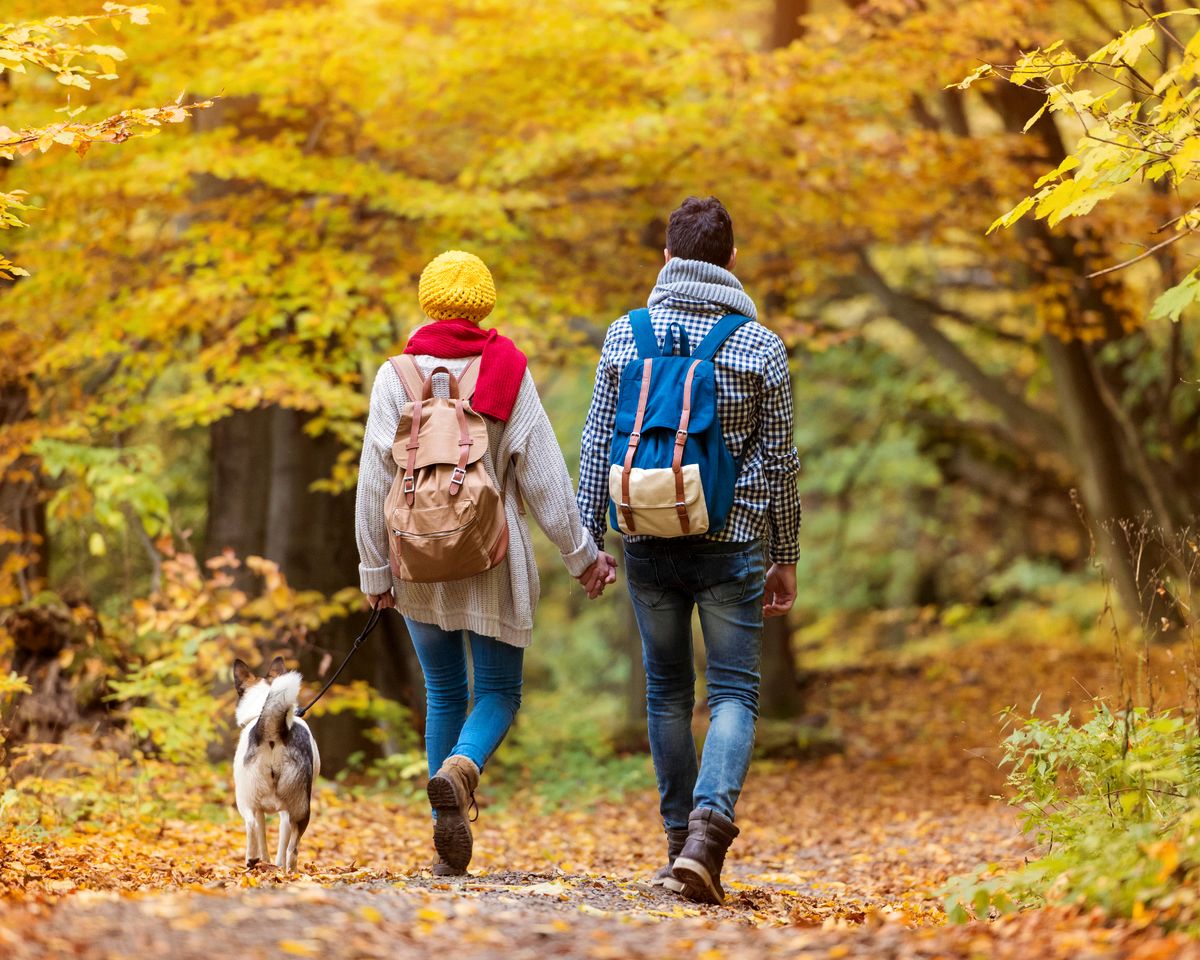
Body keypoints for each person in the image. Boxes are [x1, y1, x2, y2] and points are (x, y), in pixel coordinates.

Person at [355, 250, 616, 876]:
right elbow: (548, 479)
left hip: (415, 559)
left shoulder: (395, 377)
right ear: (484, 304)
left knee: (444, 689)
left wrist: (374, 570)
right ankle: (462, 772)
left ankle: (444, 827)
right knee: (498, 691)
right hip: (493, 557)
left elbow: (372, 481)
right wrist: (583, 557)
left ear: (428, 302)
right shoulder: (507, 371)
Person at [577, 197, 802, 904]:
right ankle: (709, 836)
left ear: (667, 259)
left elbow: (593, 444)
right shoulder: (759, 346)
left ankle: (678, 844)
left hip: (644, 537)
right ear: (731, 262)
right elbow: (781, 462)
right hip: (730, 542)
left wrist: (591, 539)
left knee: (667, 692)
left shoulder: (624, 336)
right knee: (733, 691)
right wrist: (785, 553)